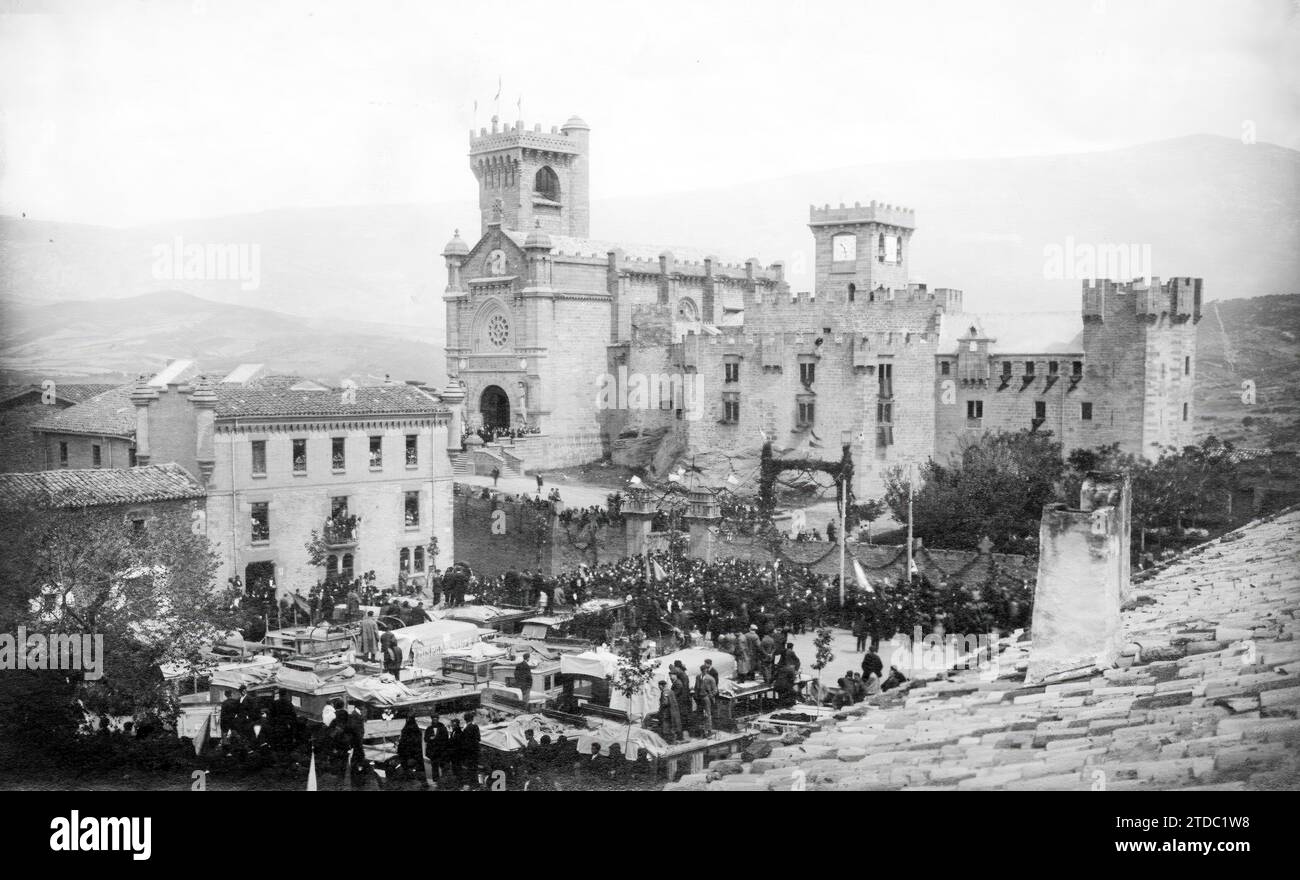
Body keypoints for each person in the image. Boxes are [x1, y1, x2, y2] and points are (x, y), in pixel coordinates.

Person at [397, 716, 425, 785]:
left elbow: (402, 744)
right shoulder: (417, 731)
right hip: (415, 755)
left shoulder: (405, 731)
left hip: (407, 756)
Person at [425, 716, 451, 783]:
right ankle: (435, 780)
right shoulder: (429, 729)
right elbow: (425, 738)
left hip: (441, 751)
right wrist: (430, 738)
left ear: (438, 720)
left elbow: (446, 739)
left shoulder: (443, 728)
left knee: (443, 766)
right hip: (433, 751)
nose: (435, 721)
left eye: (436, 719)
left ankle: (444, 780)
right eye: (433, 719)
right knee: (434, 766)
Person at [694, 663, 718, 737]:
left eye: (705, 670)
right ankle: (701, 729)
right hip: (699, 698)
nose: (704, 671)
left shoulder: (710, 678)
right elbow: (696, 687)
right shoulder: (698, 677)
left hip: (706, 697)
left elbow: (715, 690)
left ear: (707, 670)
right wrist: (696, 694)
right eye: (702, 670)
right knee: (699, 713)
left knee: (708, 714)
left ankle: (709, 730)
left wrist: (709, 696)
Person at [460, 711, 482, 788]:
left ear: (465, 719)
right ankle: (474, 784)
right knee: (472, 768)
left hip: (470, 752)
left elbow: (472, 740)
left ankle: (473, 784)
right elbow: (478, 739)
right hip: (473, 751)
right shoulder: (474, 726)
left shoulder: (469, 727)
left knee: (471, 768)